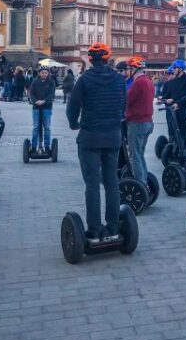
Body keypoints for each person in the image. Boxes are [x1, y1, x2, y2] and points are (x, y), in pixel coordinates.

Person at [66, 43, 126, 243]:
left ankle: (94, 230)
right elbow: (123, 105)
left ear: (90, 60)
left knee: (92, 184)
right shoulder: (119, 79)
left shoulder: (84, 80)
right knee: (111, 182)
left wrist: (74, 123)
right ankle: (114, 227)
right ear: (108, 59)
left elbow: (72, 106)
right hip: (112, 137)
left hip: (90, 137)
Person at [125, 56, 154, 186]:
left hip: (137, 122)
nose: (127, 72)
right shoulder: (148, 81)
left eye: (128, 69)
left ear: (134, 69)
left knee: (134, 157)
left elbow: (127, 100)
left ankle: (141, 185)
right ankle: (145, 180)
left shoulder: (138, 83)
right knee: (140, 154)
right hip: (148, 122)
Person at [162, 59, 186, 146]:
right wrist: (164, 99)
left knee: (183, 129)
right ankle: (174, 147)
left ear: (181, 69)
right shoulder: (173, 81)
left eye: (175, 68)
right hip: (173, 109)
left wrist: (173, 99)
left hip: (184, 109)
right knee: (172, 129)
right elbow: (170, 93)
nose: (173, 70)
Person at [29, 67, 56, 153]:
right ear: (39, 73)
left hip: (47, 107)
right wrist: (35, 101)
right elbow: (31, 93)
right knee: (36, 127)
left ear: (48, 74)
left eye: (46, 73)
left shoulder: (51, 82)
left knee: (47, 127)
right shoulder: (35, 81)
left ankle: (47, 146)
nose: (44, 74)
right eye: (42, 73)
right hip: (36, 107)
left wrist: (44, 101)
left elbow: (51, 94)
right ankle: (33, 147)